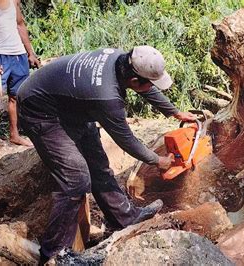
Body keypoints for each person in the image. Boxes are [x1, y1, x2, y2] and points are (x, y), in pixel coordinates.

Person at [17, 45, 197, 264]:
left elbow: (146, 86)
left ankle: (125, 219)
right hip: (40, 110)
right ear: (133, 82)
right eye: (148, 83)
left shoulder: (120, 58)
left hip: (69, 104)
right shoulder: (107, 97)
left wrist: (173, 111)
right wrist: (157, 160)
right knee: (76, 178)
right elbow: (126, 140)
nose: (150, 87)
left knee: (98, 164)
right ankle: (55, 254)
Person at [0, 0, 40, 151]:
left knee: (17, 96)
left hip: (18, 55)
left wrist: (30, 53)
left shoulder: (14, 1)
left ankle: (14, 134)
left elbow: (20, 25)